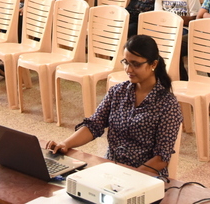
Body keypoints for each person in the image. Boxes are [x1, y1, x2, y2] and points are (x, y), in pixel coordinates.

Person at [46, 35, 183, 177]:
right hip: (111, 170)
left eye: (135, 64)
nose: (128, 69)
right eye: (126, 62)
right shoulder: (118, 92)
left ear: (153, 64)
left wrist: (128, 177)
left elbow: (161, 158)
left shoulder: (168, 105)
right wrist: (66, 144)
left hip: (144, 177)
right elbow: (94, 125)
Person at [154, 0, 201, 79]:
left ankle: (181, 77)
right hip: (165, 29)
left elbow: (194, 18)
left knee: (174, 45)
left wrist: (173, 19)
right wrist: (175, 19)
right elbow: (158, 17)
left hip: (183, 30)